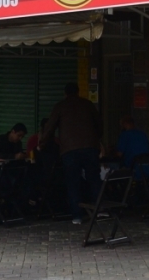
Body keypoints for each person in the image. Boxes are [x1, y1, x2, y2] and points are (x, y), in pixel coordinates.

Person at [42, 82, 103, 225]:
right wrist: (96, 139)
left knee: (73, 183)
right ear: (78, 91)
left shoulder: (60, 106)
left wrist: (42, 145)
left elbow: (49, 128)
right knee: (94, 179)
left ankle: (77, 216)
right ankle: (99, 210)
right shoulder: (88, 104)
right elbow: (99, 124)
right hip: (90, 148)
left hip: (69, 151)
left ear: (65, 93)